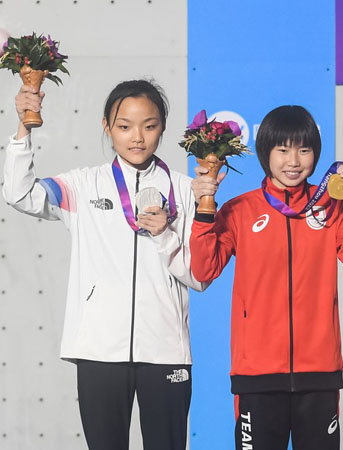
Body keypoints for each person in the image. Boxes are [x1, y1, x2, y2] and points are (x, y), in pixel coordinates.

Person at [3, 79, 208, 450]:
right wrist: (23, 128)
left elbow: (199, 277)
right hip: (99, 353)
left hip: (166, 353)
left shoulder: (185, 190)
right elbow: (18, 193)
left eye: (149, 125)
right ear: (106, 127)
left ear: (163, 126)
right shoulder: (82, 185)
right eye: (124, 126)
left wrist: (166, 236)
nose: (137, 138)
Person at [189, 105, 343, 450]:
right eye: (283, 149)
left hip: (319, 372)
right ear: (265, 153)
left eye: (304, 150)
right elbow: (203, 269)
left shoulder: (331, 206)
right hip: (256, 375)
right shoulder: (240, 210)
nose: (294, 161)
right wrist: (205, 206)